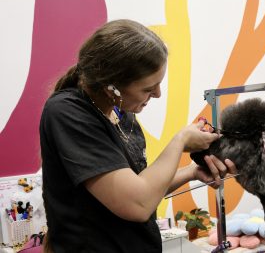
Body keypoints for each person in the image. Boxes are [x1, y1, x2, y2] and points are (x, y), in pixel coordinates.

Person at [39, 19, 236, 253]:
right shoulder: (68, 113)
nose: (158, 94)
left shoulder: (122, 114)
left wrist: (192, 172)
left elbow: (142, 186)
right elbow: (137, 203)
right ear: (111, 86)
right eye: (147, 88)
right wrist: (180, 140)